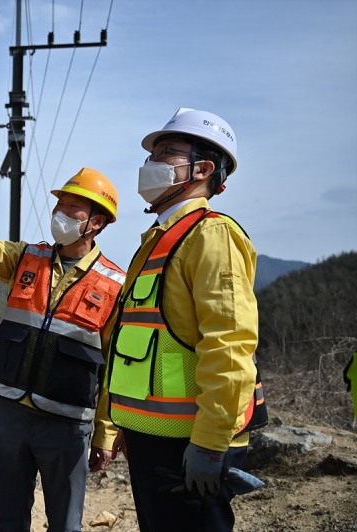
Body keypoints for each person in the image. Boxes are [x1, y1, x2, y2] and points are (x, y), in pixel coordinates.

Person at [91, 108, 266, 531]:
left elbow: (228, 346)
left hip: (190, 442)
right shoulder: (159, 239)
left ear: (202, 168)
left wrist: (208, 444)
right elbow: (126, 344)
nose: (150, 164)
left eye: (165, 153)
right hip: (154, 437)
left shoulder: (211, 236)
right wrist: (115, 424)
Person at [0, 168, 125, 531]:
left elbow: (115, 368)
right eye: (59, 205)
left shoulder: (115, 285)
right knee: (7, 520)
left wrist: (105, 431)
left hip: (67, 426)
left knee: (65, 524)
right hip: (8, 415)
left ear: (96, 223)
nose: (59, 214)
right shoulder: (27, 258)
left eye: (72, 209)